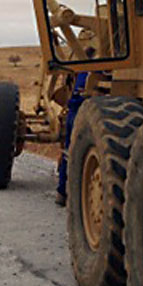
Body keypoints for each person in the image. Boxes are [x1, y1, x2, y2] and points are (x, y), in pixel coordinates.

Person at [55, 71, 89, 206]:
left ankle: (62, 192)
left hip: (75, 110)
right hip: (78, 111)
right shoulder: (96, 68)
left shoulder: (84, 69)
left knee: (69, 151)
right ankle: (65, 192)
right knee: (73, 153)